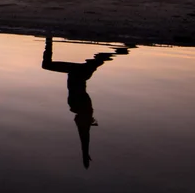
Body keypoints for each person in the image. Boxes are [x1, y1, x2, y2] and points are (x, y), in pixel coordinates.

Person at [41, 37, 134, 168]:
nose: (75, 121)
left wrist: (85, 152)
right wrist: (85, 152)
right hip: (79, 73)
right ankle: (49, 39)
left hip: (78, 72)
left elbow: (84, 132)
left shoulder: (79, 110)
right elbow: (84, 134)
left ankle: (122, 50)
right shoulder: (82, 110)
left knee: (98, 60)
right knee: (97, 60)